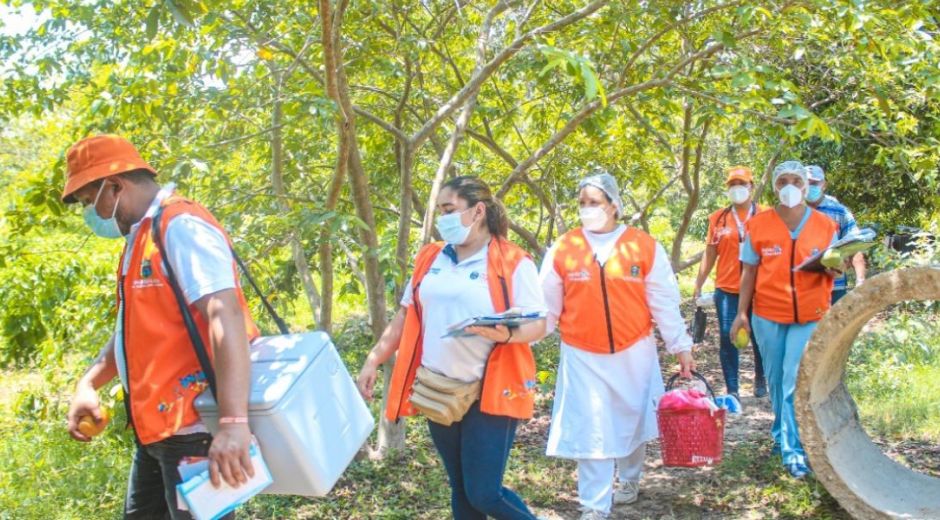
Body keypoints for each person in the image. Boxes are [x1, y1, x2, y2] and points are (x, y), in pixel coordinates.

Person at [63, 135, 258, 518]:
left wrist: (234, 424)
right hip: (156, 434)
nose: (93, 214)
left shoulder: (181, 226)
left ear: (114, 185)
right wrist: (88, 384)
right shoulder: (141, 238)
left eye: (90, 201)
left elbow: (226, 314)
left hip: (195, 433)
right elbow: (132, 333)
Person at [356, 176, 547, 520]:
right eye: (439, 210)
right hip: (439, 389)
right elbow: (405, 314)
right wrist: (373, 360)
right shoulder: (431, 257)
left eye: (449, 209)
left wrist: (505, 334)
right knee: (461, 490)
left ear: (478, 211)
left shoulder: (513, 261)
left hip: (490, 392)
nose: (442, 218)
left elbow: (539, 324)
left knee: (485, 493)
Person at [539, 173, 695, 520]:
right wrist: (521, 340)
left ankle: (629, 479)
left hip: (634, 349)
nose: (587, 209)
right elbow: (546, 309)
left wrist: (680, 345)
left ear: (613, 205)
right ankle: (594, 507)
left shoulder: (642, 245)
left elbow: (663, 301)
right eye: (582, 203)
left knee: (632, 419)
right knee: (591, 427)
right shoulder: (563, 248)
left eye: (594, 202)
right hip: (581, 352)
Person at [731, 160, 839, 479]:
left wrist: (836, 267)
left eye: (796, 180)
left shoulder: (825, 225)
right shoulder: (759, 225)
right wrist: (741, 313)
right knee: (776, 380)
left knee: (793, 381)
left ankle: (795, 451)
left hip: (810, 314)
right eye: (783, 181)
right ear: (775, 187)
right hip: (768, 314)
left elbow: (836, 265)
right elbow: (749, 271)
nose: (790, 186)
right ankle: (781, 434)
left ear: (806, 187)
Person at [692, 166, 768, 401]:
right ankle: (733, 388)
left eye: (741, 184)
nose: (737, 188)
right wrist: (699, 282)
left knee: (759, 336)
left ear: (751, 187)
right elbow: (710, 252)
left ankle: (760, 378)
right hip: (726, 287)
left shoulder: (766, 215)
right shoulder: (719, 218)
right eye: (732, 184)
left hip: (760, 287)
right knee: (728, 336)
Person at [805, 164, 867, 303]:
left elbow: (854, 245)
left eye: (815, 183)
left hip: (835, 286)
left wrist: (860, 282)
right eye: (806, 183)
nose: (810, 187)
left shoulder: (839, 212)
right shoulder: (793, 212)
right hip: (803, 286)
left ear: (824, 185)